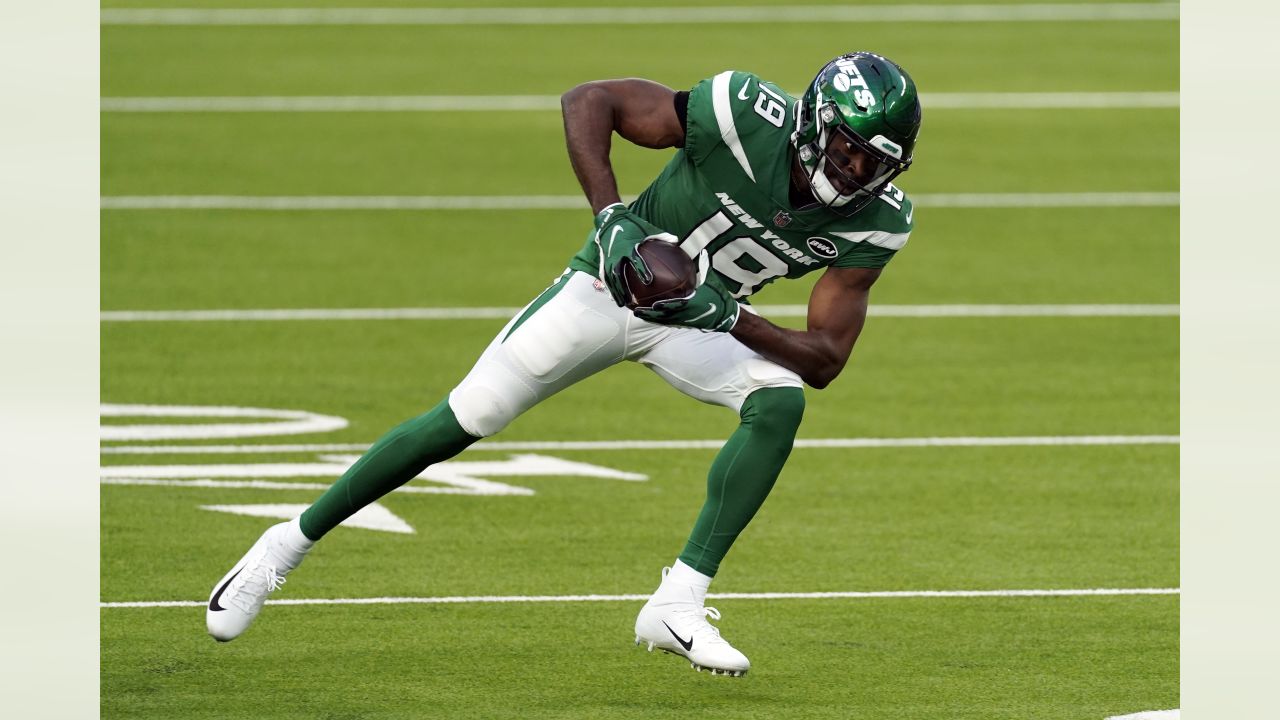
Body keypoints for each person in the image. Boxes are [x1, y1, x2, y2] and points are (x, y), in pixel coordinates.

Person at [205, 51, 922, 678]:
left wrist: (728, 314)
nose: (856, 171)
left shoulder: (879, 220)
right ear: (810, 122)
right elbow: (590, 100)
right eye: (849, 149)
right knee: (470, 414)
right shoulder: (744, 112)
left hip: (696, 319)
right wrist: (611, 219)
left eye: (876, 162)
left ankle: (677, 602)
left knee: (781, 401)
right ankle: (283, 548)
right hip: (610, 284)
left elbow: (824, 358)